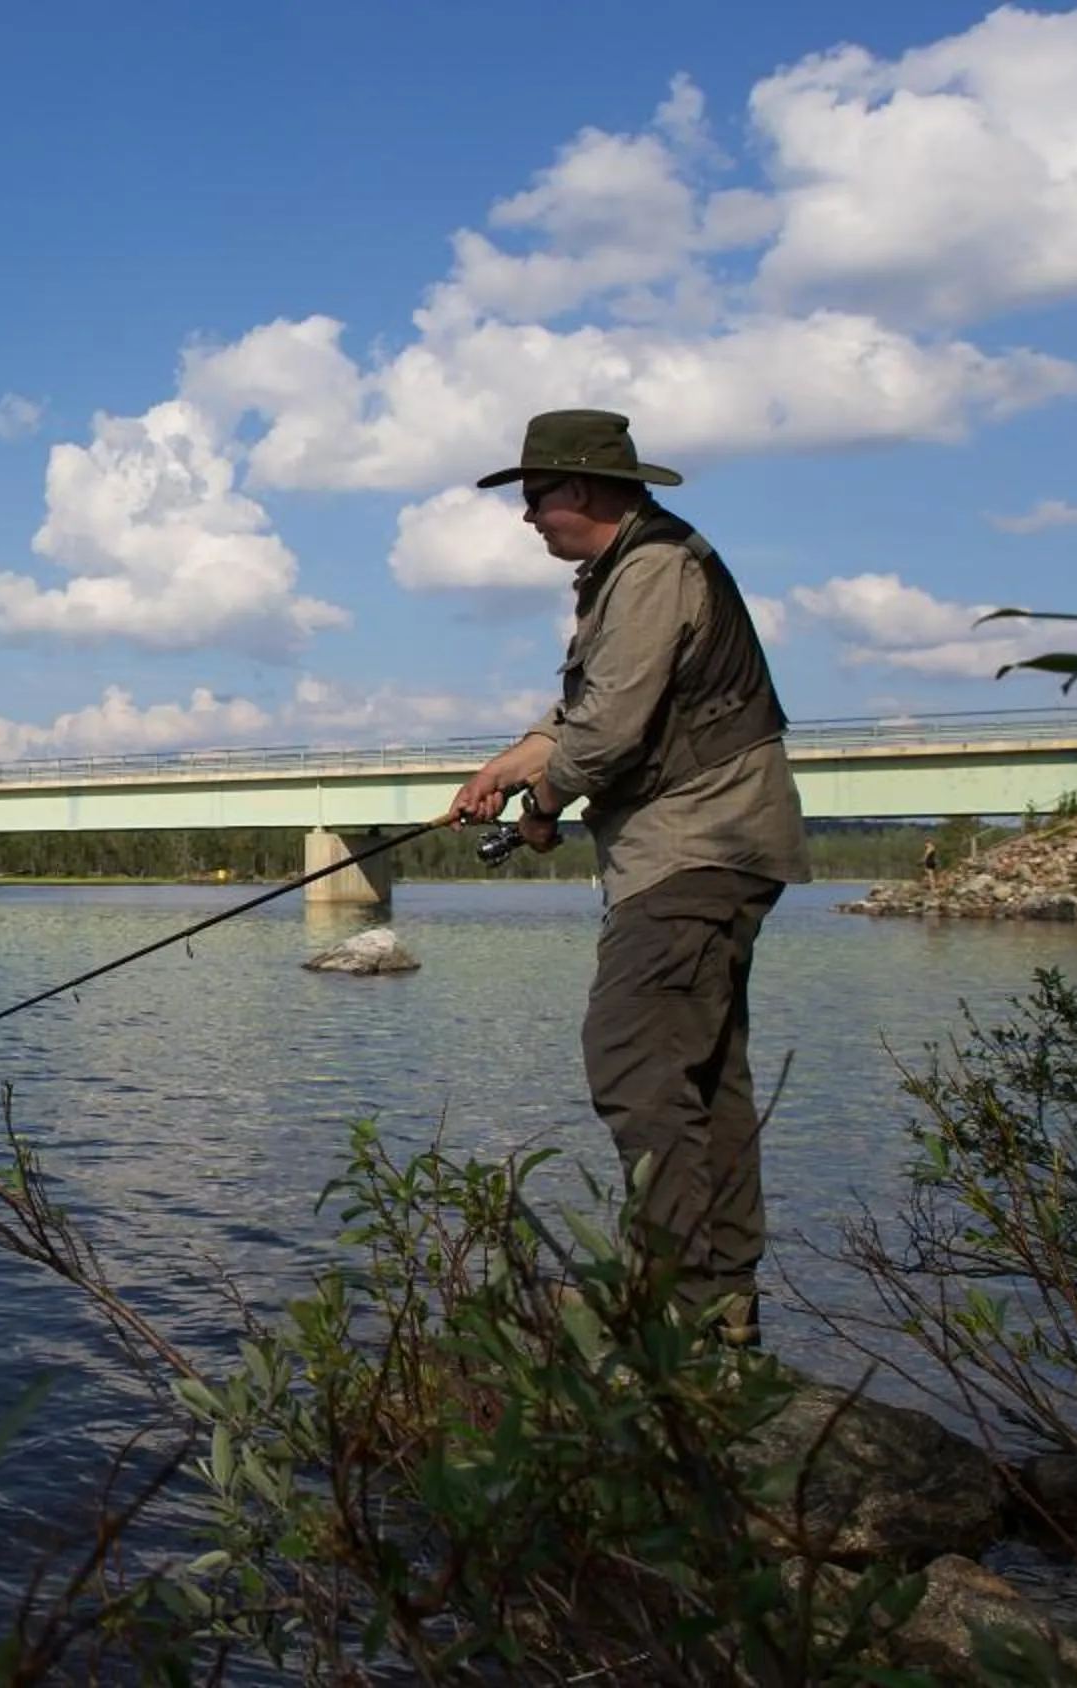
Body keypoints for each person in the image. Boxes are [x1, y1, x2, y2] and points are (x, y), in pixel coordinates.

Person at [443, 410, 810, 1348]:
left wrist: (542, 805)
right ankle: (722, 1298)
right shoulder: (635, 569)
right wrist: (508, 767)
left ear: (582, 488)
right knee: (703, 1078)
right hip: (710, 850)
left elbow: (605, 735)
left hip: (695, 848)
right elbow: (585, 711)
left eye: (536, 496)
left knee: (634, 1063)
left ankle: (670, 1302)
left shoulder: (652, 570)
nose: (528, 515)